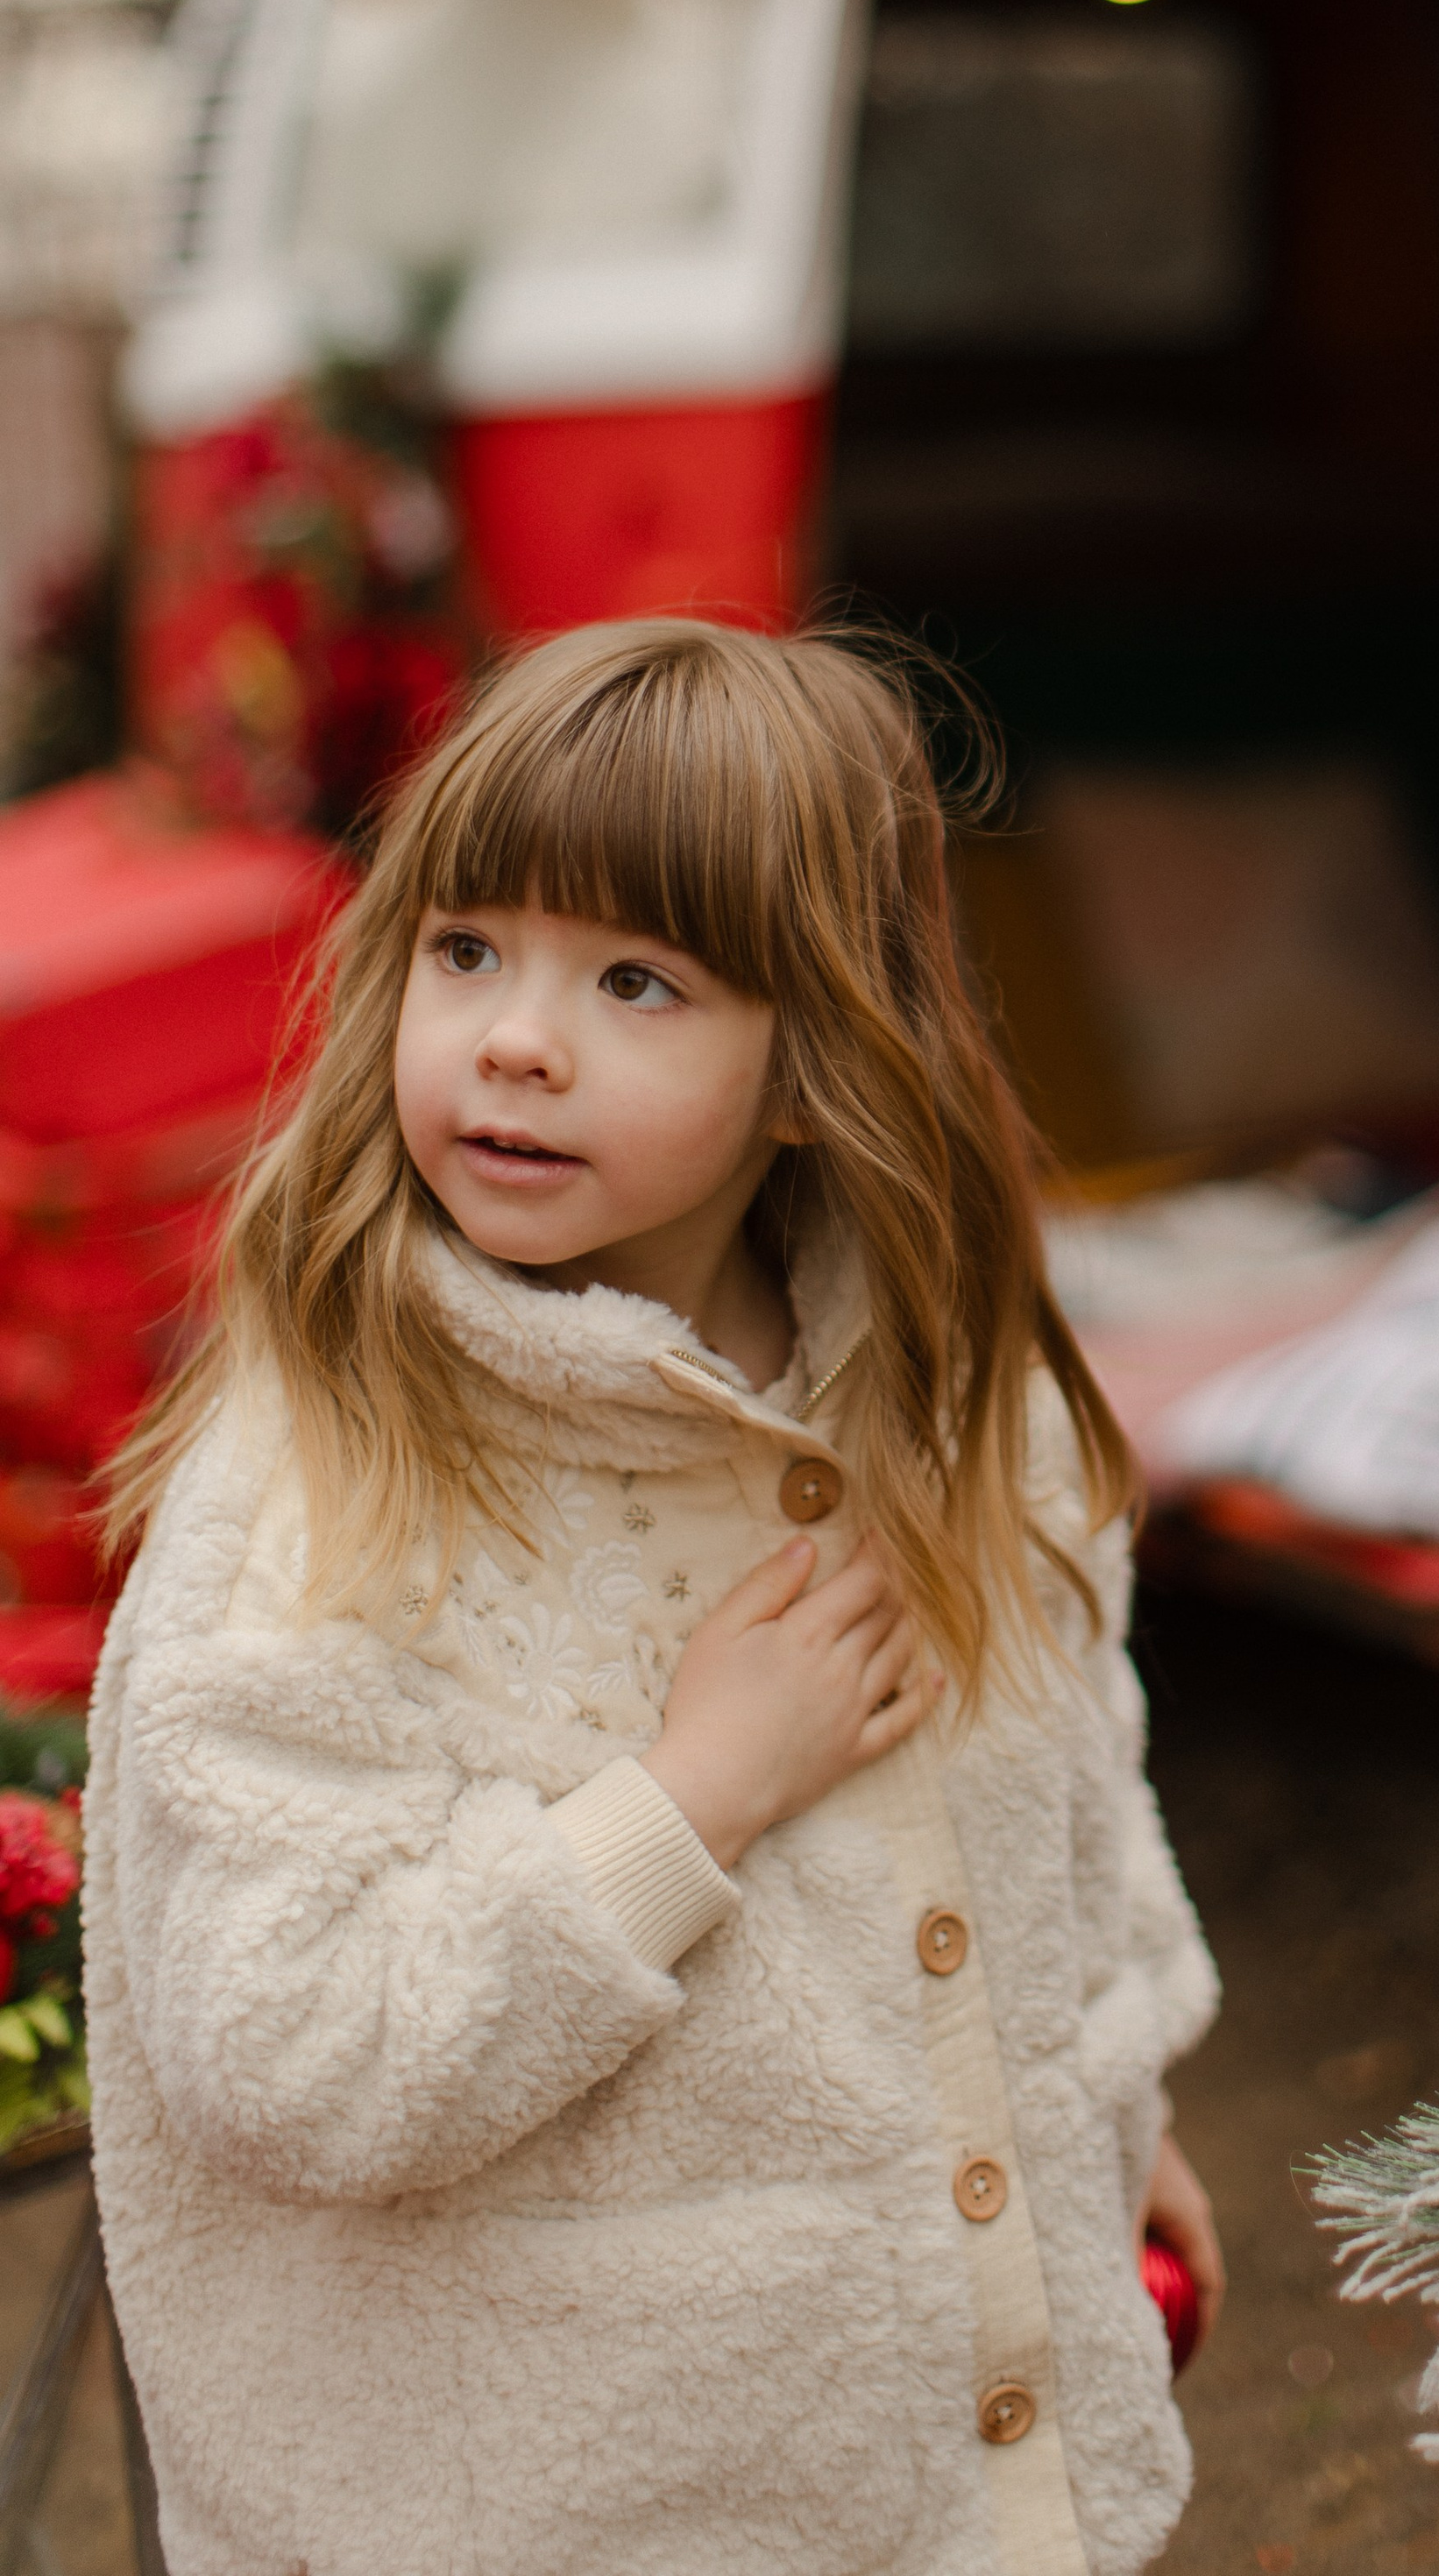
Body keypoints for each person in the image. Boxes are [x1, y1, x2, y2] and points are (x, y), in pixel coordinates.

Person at [82, 617, 1222, 2576]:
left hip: (939, 2490)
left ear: (816, 1061)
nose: (517, 1035)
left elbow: (1066, 1809)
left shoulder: (965, 1417)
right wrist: (687, 1800)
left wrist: (1105, 2115)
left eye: (634, 978)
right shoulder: (330, 1491)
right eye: (467, 951)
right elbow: (287, 2046)